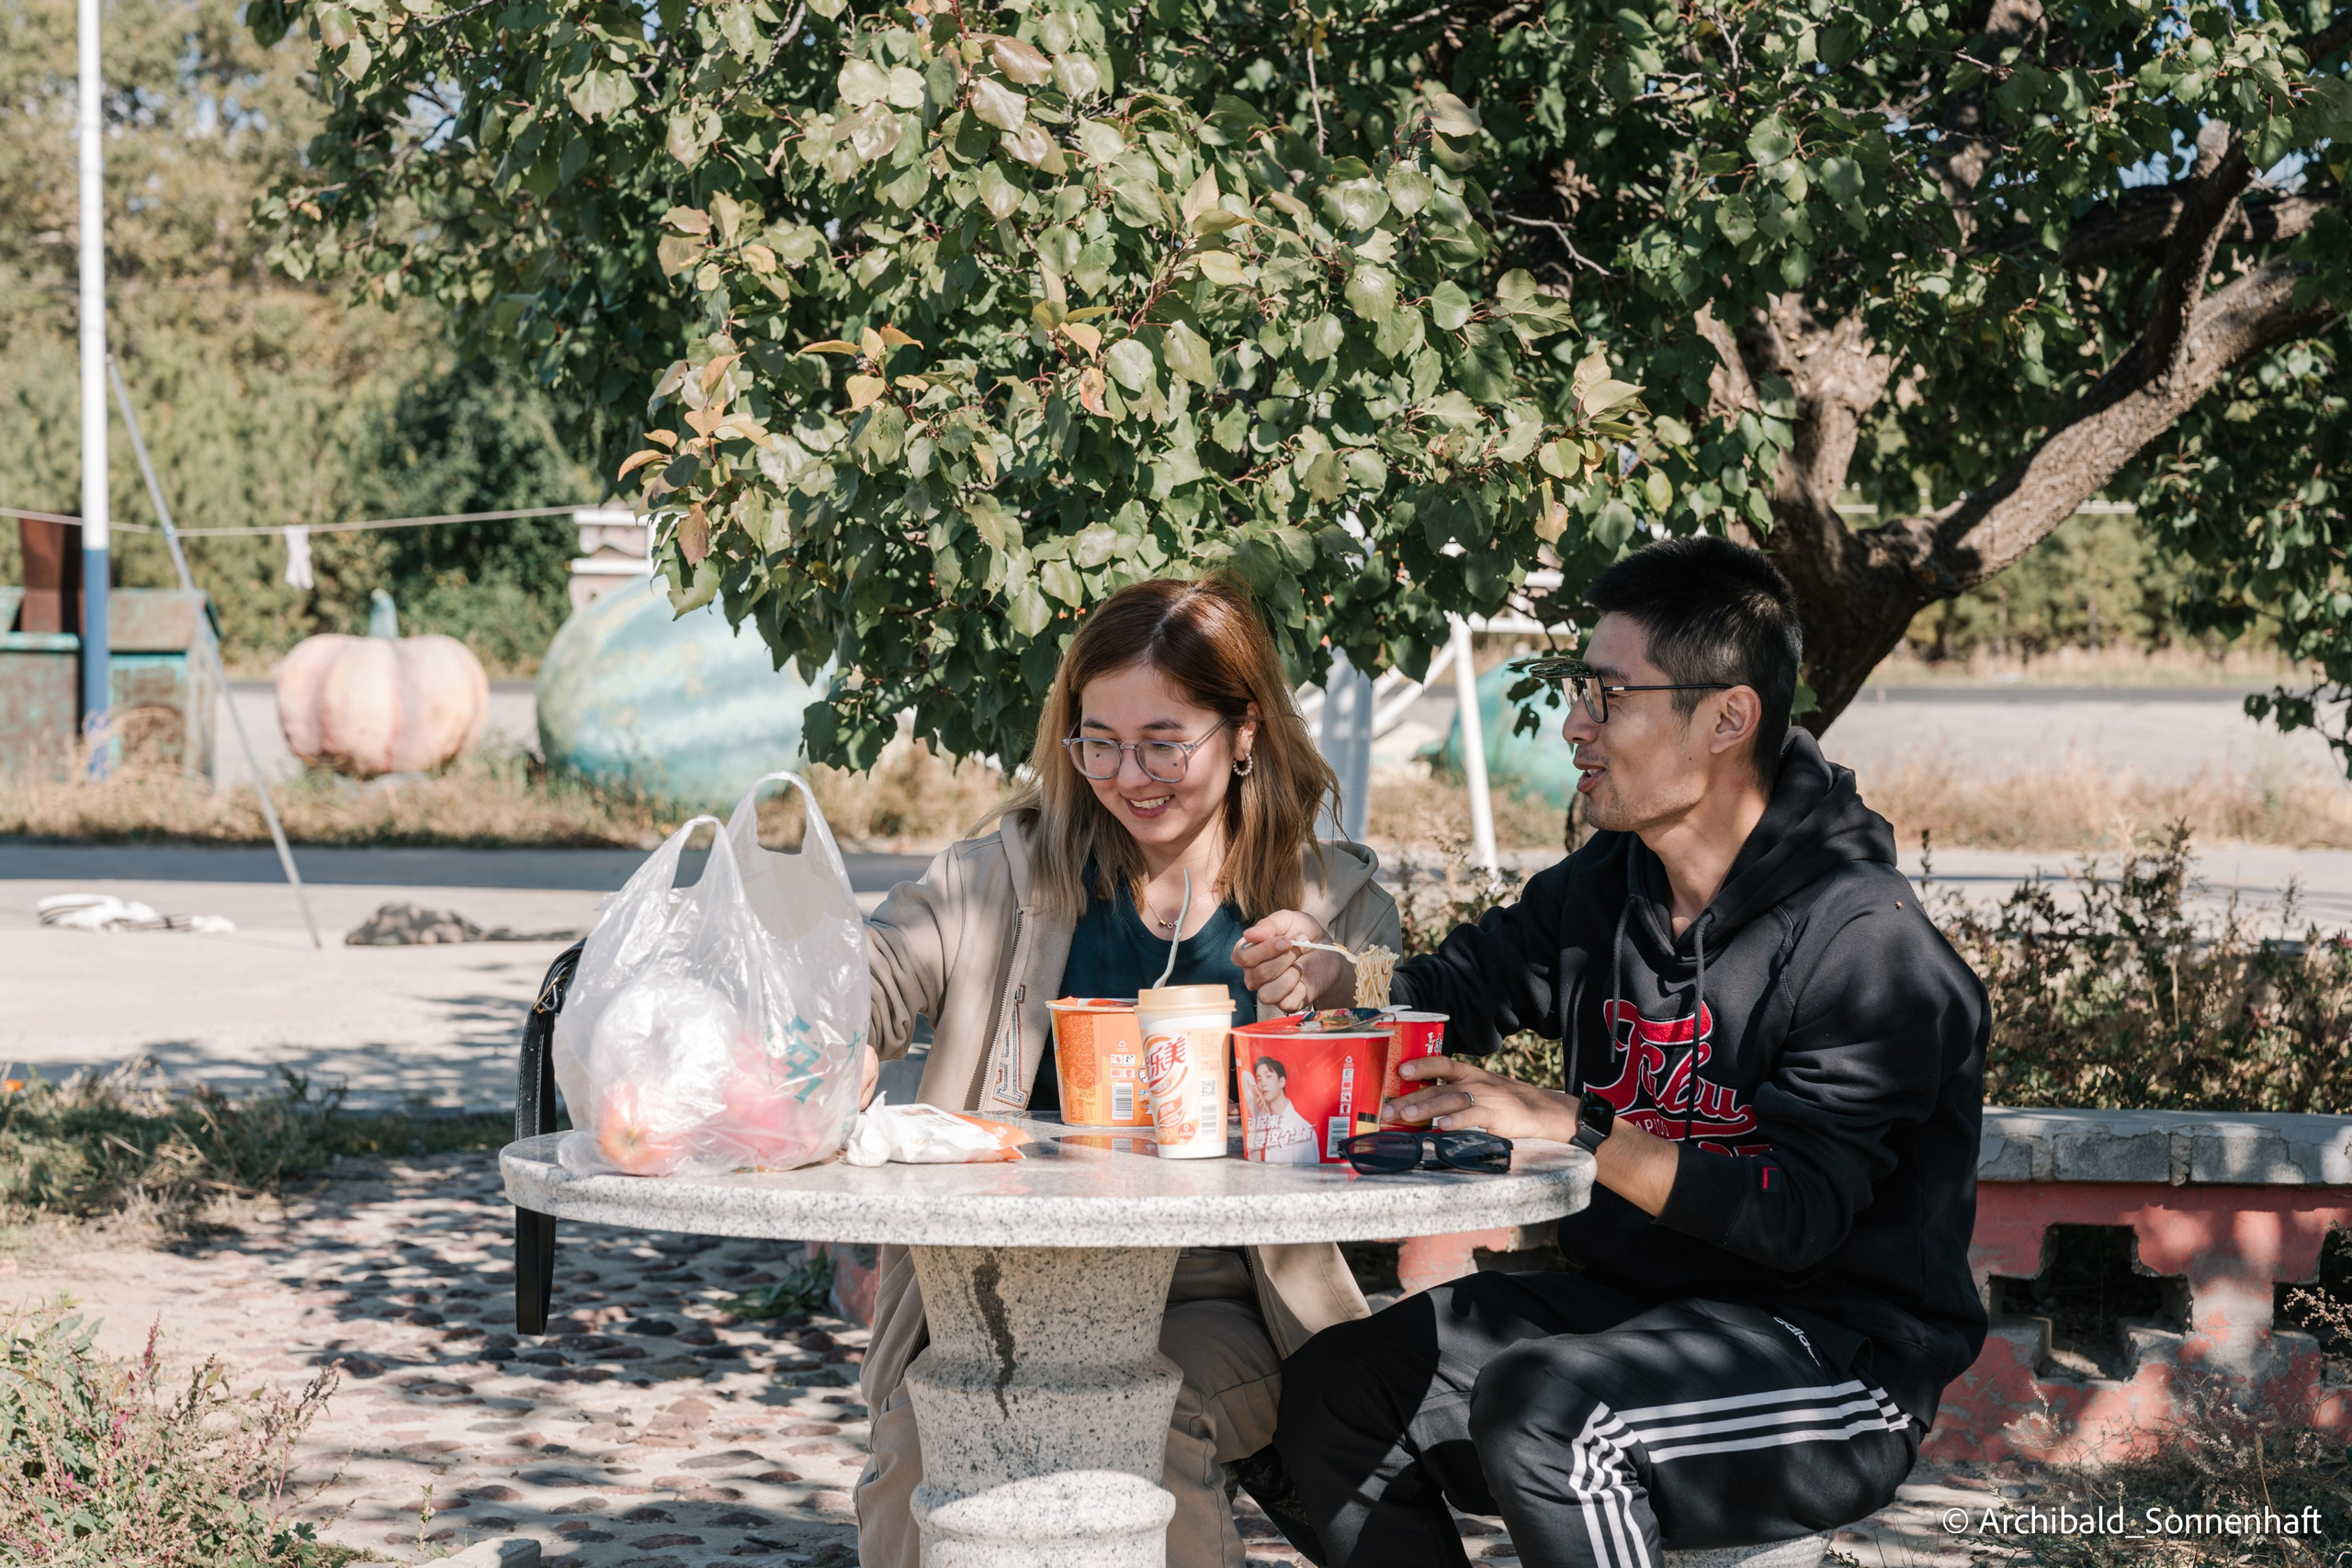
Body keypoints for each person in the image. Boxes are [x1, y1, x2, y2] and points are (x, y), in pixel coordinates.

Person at [1237, 536, 1989, 1568]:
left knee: (1554, 1415)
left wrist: (1576, 1130)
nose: (1574, 727)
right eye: (1577, 692)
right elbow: (1460, 990)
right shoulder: (1608, 884)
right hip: (1629, 1311)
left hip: (1831, 1358)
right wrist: (1345, 986)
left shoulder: (1864, 945)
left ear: (1727, 717)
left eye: (1607, 696)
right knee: (1328, 1397)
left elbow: (1792, 1216)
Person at [854, 575, 1401, 1568]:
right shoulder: (1012, 874)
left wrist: (1335, 994)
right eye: (1097, 742)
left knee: (1145, 1418)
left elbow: (1398, 1046)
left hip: (1225, 1292)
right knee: (920, 1442)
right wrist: (836, 1028)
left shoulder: (1331, 897)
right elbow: (880, 969)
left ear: (1243, 733)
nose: (1129, 775)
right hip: (1000, 1287)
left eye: (1163, 742)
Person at [1245, 1055, 1320, 1165]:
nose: (1263, 1083)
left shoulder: (1302, 1130)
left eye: (1268, 1076)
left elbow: (1307, 1177)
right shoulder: (1260, 1115)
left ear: (1281, 1082)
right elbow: (1244, 1075)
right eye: (1259, 1079)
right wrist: (1253, 1088)